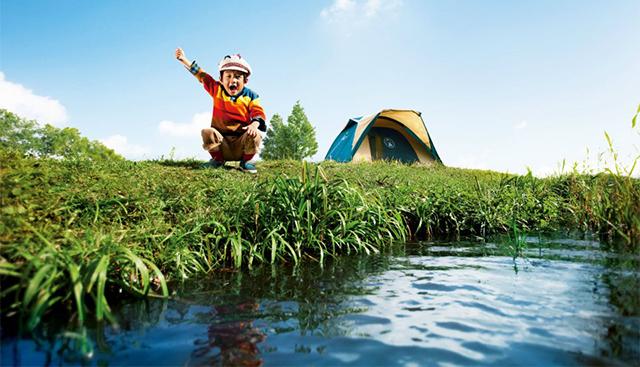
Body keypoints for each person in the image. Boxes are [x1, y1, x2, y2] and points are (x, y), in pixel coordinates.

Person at [175, 48, 266, 173]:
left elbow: (258, 112)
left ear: (245, 81)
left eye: (237, 77)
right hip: (221, 145)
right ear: (221, 80)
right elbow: (202, 75)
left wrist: (254, 124)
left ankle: (246, 162)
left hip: (241, 144)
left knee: (256, 135)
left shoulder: (251, 96)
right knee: (207, 132)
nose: (232, 80)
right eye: (228, 76)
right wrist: (184, 60)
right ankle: (218, 161)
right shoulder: (216, 89)